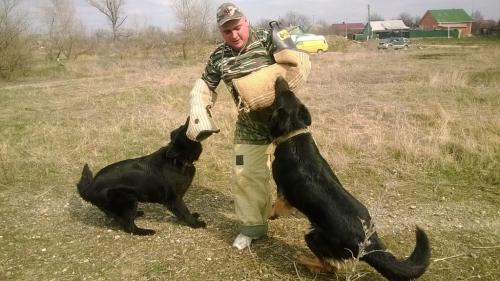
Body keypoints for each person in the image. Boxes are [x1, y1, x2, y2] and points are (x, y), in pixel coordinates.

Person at [186, 2, 310, 250]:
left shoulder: (267, 39)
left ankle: (315, 212)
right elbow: (206, 85)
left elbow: (296, 64)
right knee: (246, 177)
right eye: (226, 31)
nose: (234, 35)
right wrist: (198, 107)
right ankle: (253, 227)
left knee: (305, 173)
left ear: (246, 22)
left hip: (286, 122)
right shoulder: (219, 57)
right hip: (250, 127)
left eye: (237, 27)